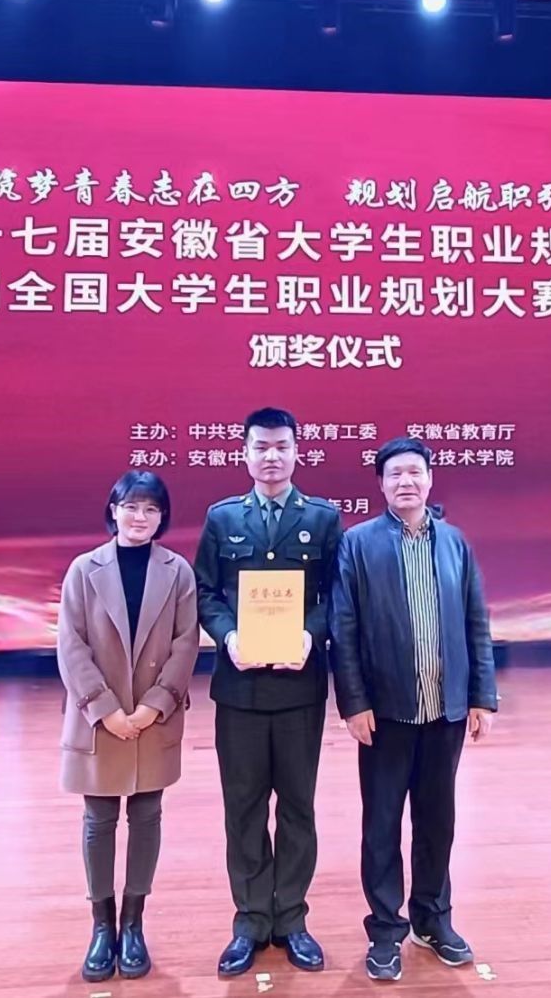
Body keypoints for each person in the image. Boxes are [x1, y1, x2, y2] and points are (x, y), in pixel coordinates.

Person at [330, 437, 498, 982]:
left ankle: (432, 918)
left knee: (437, 821)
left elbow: (476, 621)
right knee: (381, 826)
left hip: (446, 711)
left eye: (415, 472)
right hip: (385, 713)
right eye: (395, 474)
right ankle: (385, 929)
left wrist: (482, 695)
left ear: (430, 480)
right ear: (380, 484)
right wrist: (354, 702)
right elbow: (344, 628)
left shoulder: (454, 543)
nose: (406, 481)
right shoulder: (357, 544)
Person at [194, 407, 344, 976]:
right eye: (261, 447)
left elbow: (336, 595)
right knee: (245, 807)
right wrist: (228, 636)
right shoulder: (222, 518)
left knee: (298, 807)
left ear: (297, 451)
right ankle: (251, 920)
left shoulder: (323, 518)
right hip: (240, 689)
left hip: (300, 687)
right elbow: (205, 591)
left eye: (282, 446)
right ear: (245, 453)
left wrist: (310, 635)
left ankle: (292, 920)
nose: (272, 456)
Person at [56, 470, 203, 983]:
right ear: (113, 510)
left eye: (151, 509)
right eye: (131, 507)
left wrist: (154, 706)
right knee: (98, 821)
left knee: (146, 816)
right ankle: (102, 927)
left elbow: (186, 643)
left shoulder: (178, 572)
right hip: (99, 720)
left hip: (152, 719)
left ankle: (134, 924)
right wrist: (106, 709)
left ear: (162, 518)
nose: (140, 517)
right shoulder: (84, 569)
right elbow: (71, 645)